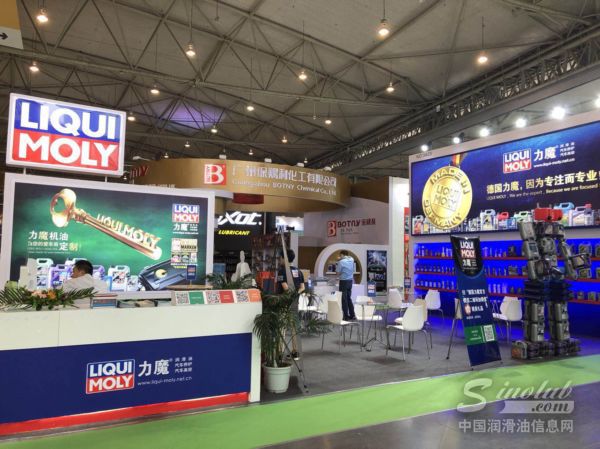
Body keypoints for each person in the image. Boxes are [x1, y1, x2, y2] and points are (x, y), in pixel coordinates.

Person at [277, 249, 305, 360]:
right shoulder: (299, 271)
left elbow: (285, 287)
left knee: (282, 327)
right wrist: (295, 294)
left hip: (284, 302)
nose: (279, 260)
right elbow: (302, 287)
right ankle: (295, 352)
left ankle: (280, 353)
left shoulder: (282, 271)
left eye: (280, 257)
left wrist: (290, 295)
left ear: (285, 258)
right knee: (294, 327)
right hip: (294, 303)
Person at [337, 250, 356, 320]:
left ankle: (346, 316)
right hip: (350, 281)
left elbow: (337, 273)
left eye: (340, 255)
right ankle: (352, 315)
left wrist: (340, 260)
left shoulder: (341, 262)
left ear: (342, 255)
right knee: (348, 298)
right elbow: (349, 257)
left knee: (344, 299)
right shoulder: (352, 259)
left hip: (343, 282)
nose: (340, 257)